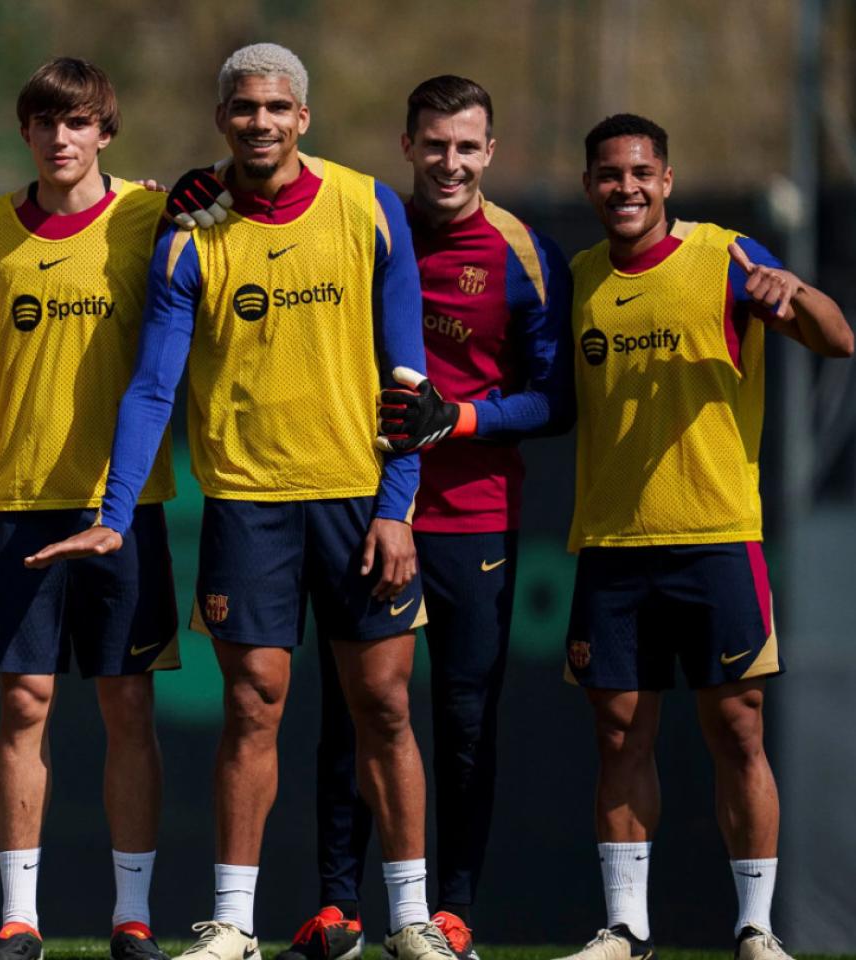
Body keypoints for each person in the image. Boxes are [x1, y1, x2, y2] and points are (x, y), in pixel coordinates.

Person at [30, 42, 450, 960]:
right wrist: (113, 512)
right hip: (247, 505)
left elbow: (409, 382)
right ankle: (234, 924)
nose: (261, 122)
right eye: (244, 108)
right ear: (222, 119)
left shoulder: (369, 206)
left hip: (357, 501)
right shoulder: (191, 229)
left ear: (304, 117)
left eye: (277, 107)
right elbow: (153, 387)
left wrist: (397, 507)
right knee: (253, 708)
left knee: (384, 707)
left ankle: (412, 920)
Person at [281, 75, 573, 960]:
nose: (450, 162)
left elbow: (555, 400)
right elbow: (263, 189)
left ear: (491, 152)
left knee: (464, 721)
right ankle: (338, 909)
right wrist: (183, 192)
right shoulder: (367, 225)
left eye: (466, 147)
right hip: (366, 512)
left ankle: (453, 913)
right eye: (435, 144)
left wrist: (463, 419)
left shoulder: (526, 254)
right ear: (407, 145)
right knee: (354, 715)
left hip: (472, 519)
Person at [552, 113, 850, 960]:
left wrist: (796, 293)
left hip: (717, 536)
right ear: (590, 186)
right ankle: (626, 929)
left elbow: (837, 339)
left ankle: (756, 928)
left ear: (667, 180)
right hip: (613, 544)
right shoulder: (580, 277)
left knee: (739, 732)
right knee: (619, 736)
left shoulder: (728, 258)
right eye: (610, 174)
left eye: (641, 172)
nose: (626, 187)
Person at [0, 57, 177, 960]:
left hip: (126, 505)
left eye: (78, 121)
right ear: (25, 131)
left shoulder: (151, 219)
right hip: (20, 498)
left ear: (105, 133)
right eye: (46, 121)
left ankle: (133, 918)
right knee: (23, 704)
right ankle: (20, 918)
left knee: (127, 705)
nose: (61, 137)